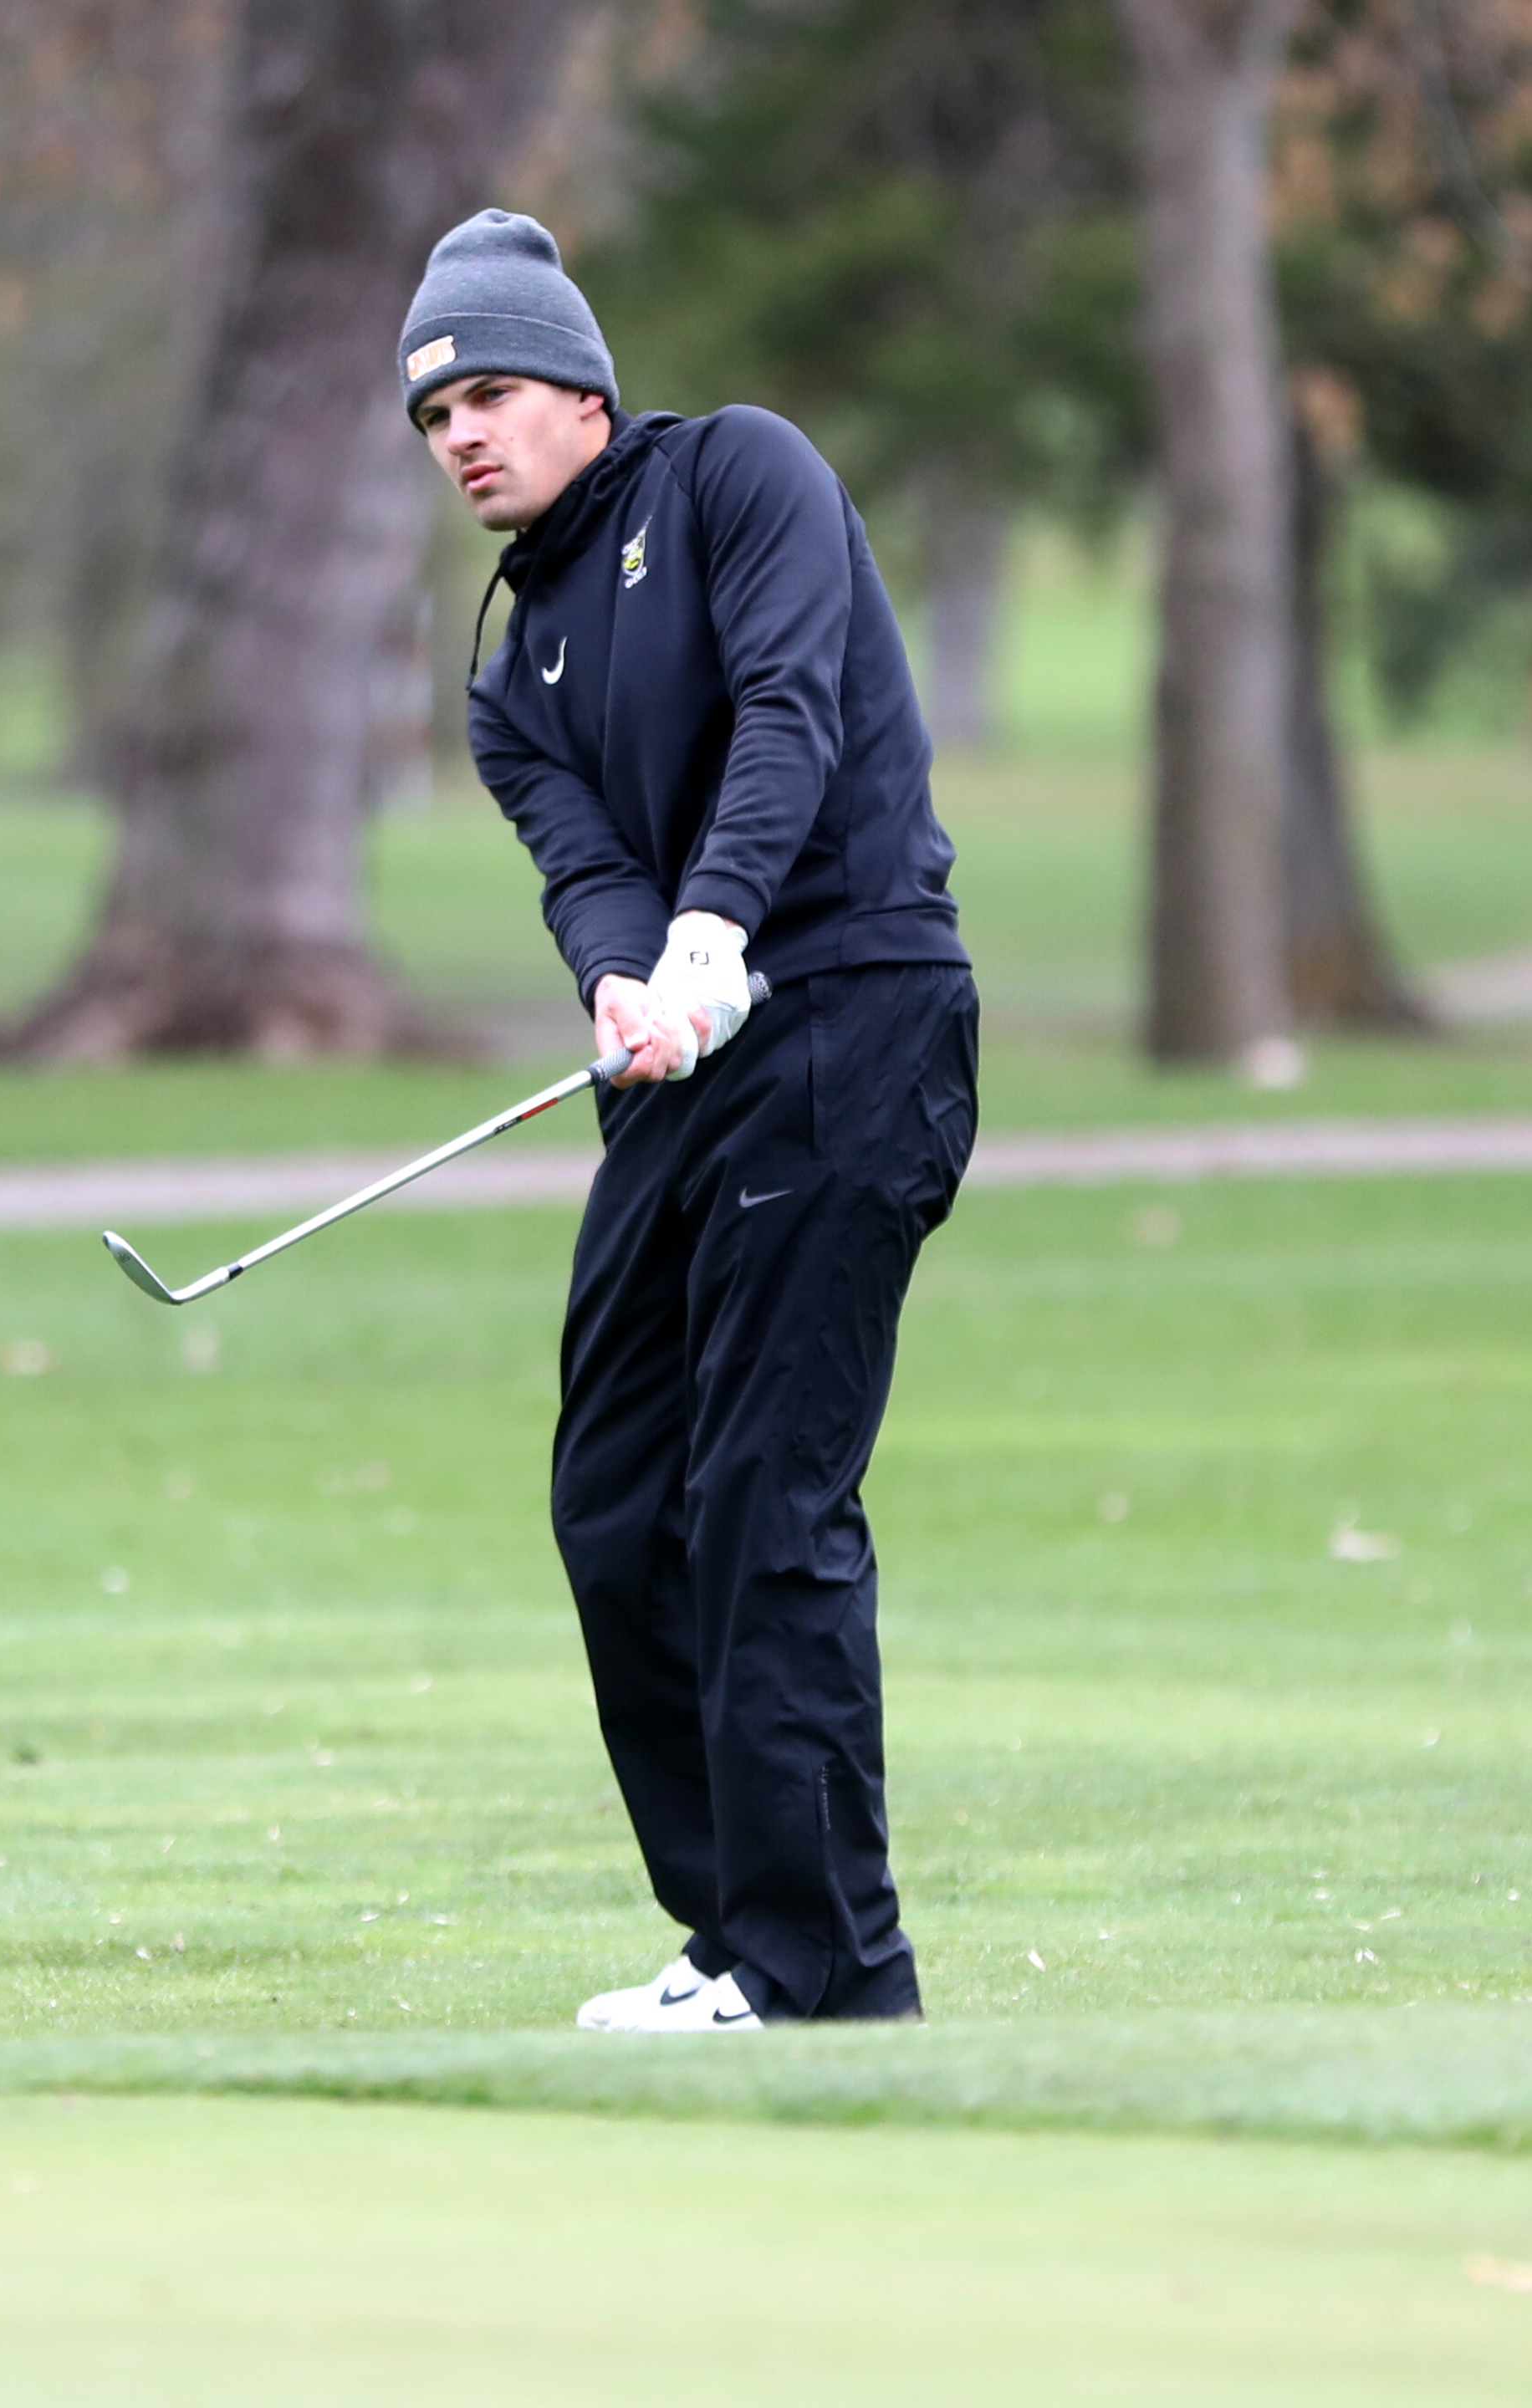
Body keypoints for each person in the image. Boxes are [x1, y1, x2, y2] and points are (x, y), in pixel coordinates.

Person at [401, 209, 979, 2033]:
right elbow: (582, 871)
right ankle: (737, 1931)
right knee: (618, 1499)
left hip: (850, 1012)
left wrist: (719, 925)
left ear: (580, 387)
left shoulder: (741, 475)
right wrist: (621, 984)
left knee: (760, 1499)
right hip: (681, 1062)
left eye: (489, 393)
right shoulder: (508, 677)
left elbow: (791, 716)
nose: (462, 438)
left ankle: (828, 1970)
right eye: (432, 419)